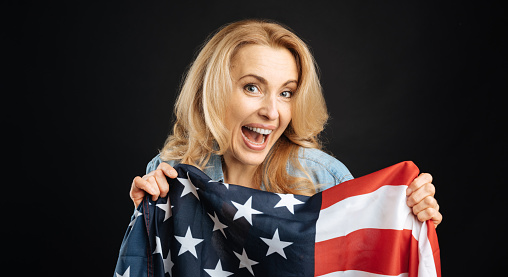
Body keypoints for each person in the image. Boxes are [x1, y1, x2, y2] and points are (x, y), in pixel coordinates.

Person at [129, 19, 442, 227]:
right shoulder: (169, 172)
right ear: (213, 92)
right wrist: (143, 215)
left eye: (286, 93)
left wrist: (410, 219)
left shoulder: (323, 178)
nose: (272, 111)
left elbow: (364, 272)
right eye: (252, 87)